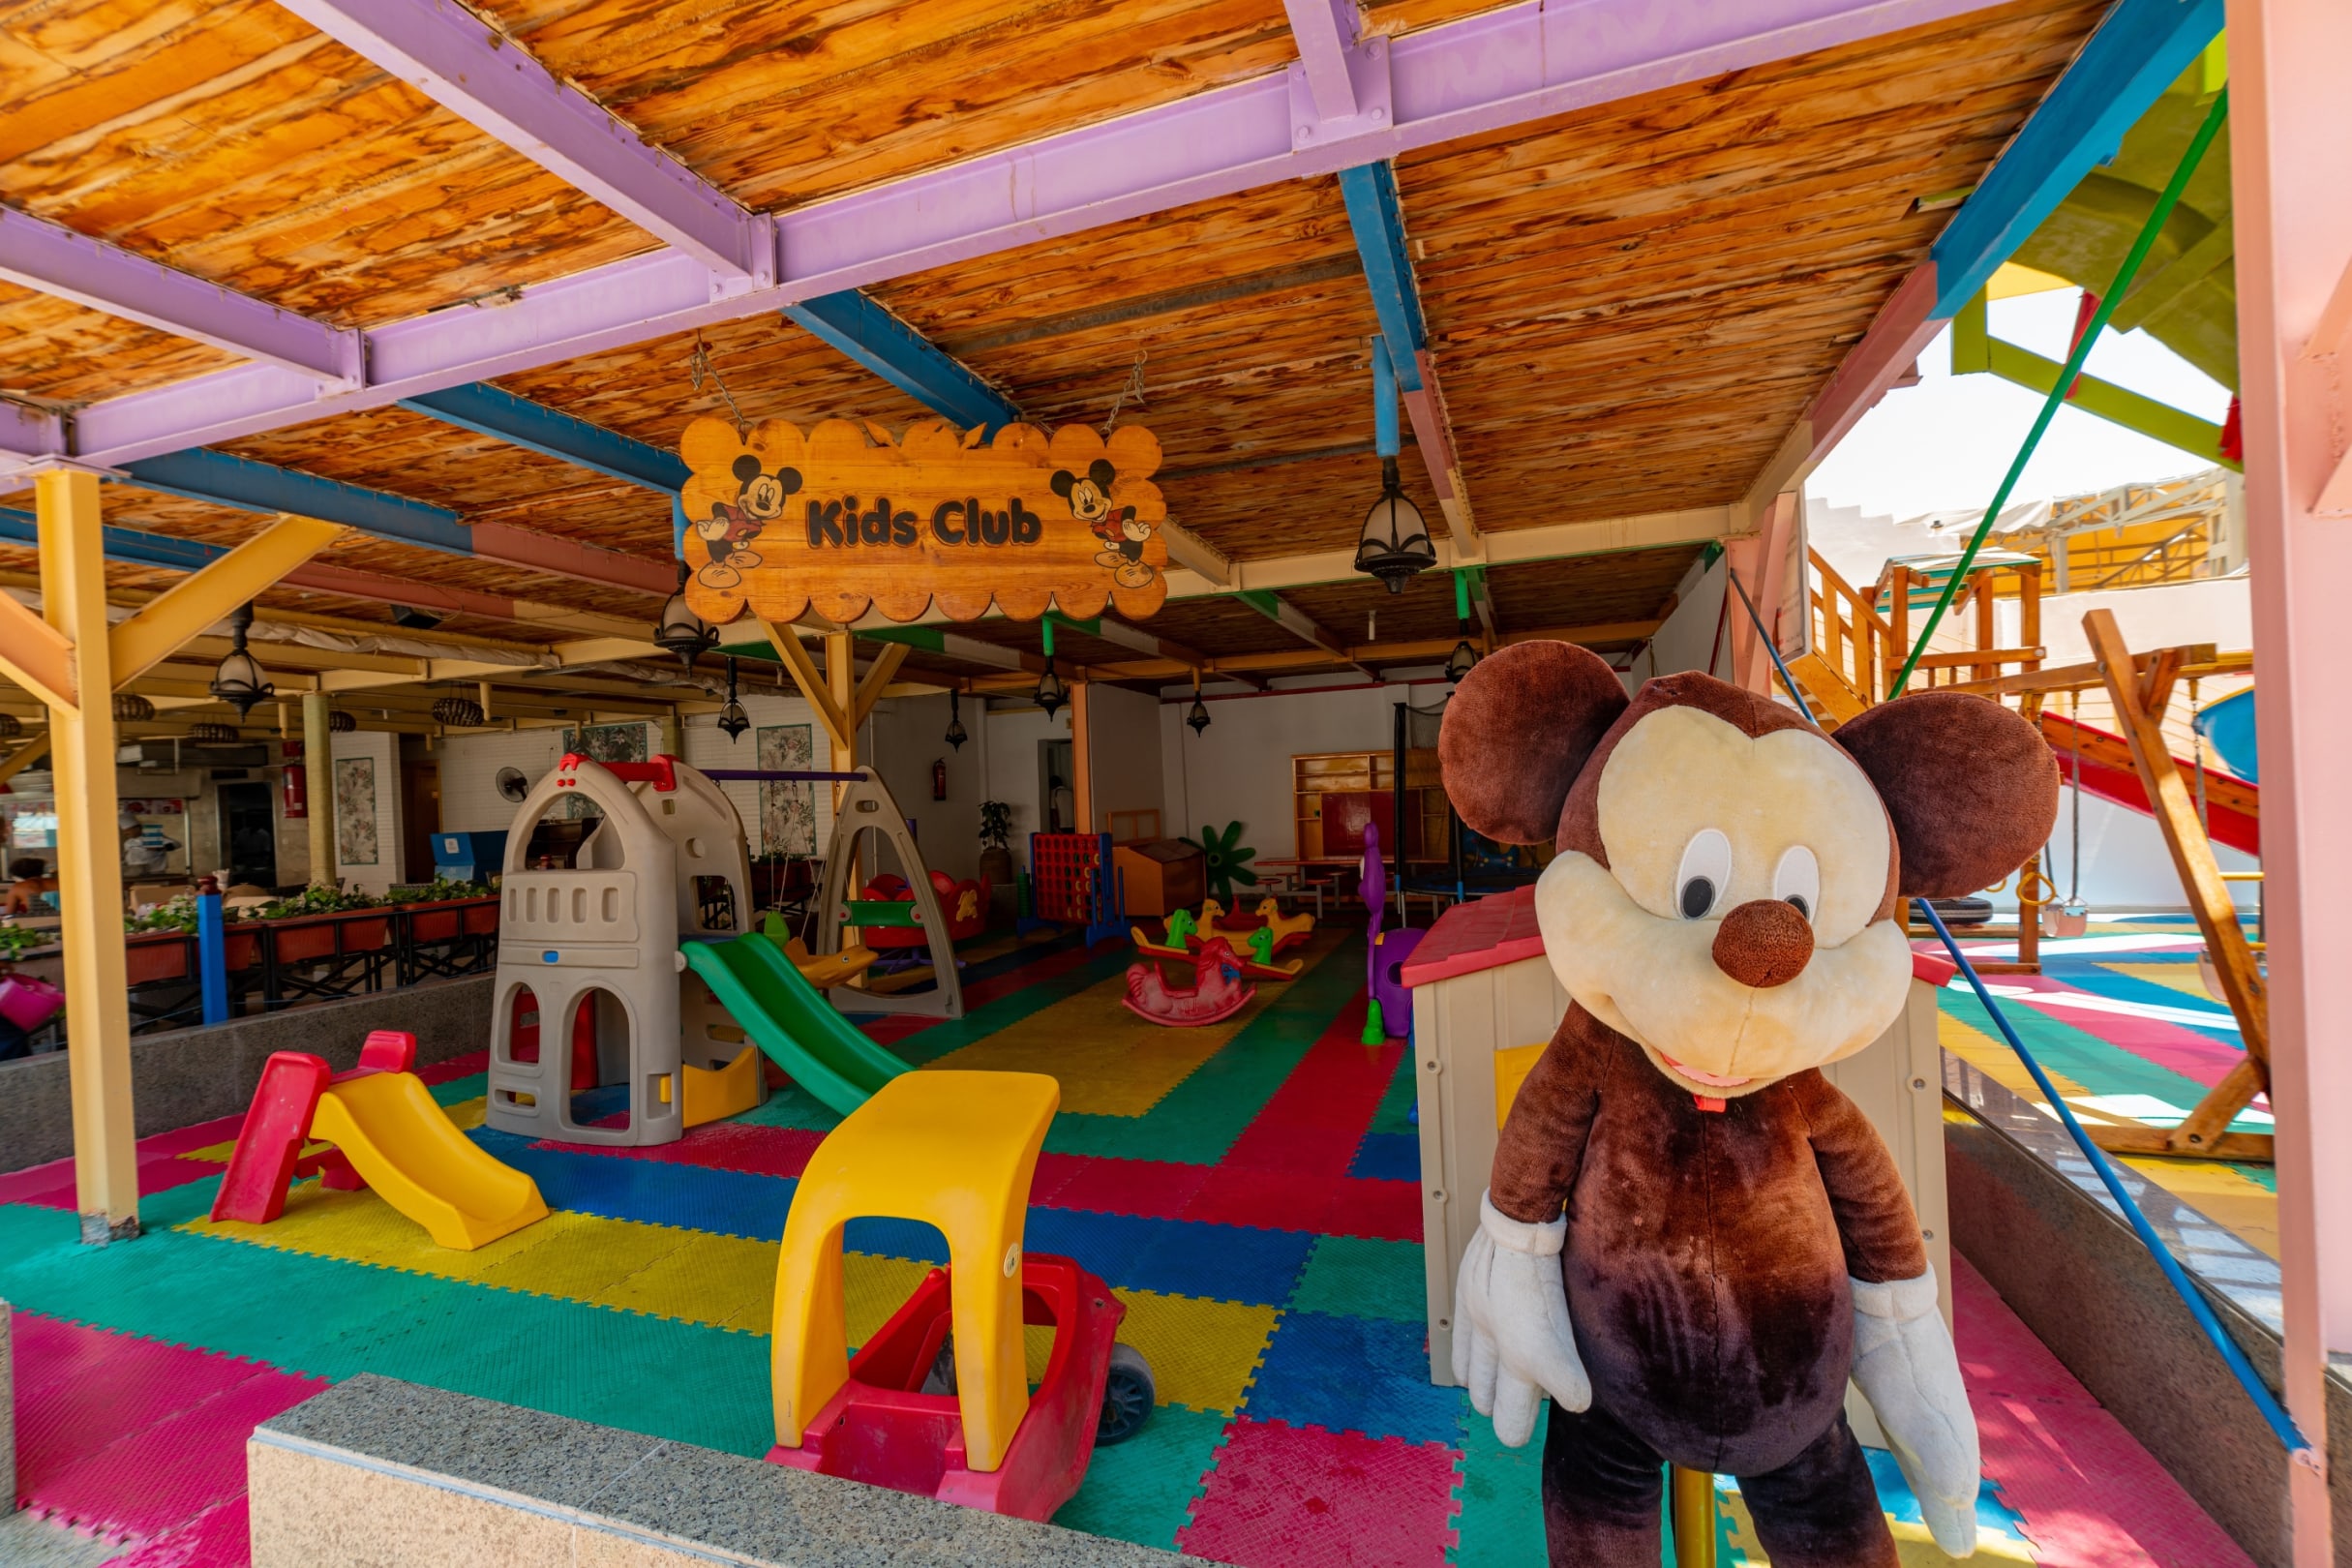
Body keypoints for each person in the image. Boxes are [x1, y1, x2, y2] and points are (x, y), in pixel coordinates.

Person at [120, 811, 173, 881]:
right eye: (124, 831)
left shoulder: (152, 836)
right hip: (135, 874)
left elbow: (173, 845)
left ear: (137, 828)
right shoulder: (128, 843)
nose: (125, 833)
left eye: (128, 830)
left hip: (155, 874)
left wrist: (158, 848)